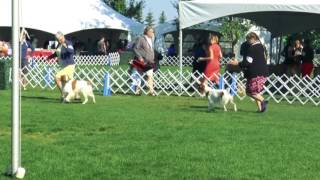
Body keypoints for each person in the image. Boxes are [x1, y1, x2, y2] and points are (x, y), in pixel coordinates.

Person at [228, 32, 269, 113]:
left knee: (251, 92)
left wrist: (237, 63)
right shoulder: (261, 46)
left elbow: (248, 62)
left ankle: (263, 100)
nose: (247, 42)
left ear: (253, 39)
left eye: (248, 40)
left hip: (256, 73)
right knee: (254, 92)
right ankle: (260, 108)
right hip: (262, 72)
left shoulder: (252, 48)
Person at [47, 31, 75, 101]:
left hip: (69, 65)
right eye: (57, 39)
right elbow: (57, 53)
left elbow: (72, 51)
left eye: (59, 39)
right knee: (67, 82)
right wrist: (50, 57)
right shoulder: (59, 44)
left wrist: (66, 47)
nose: (58, 40)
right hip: (63, 65)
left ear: (63, 36)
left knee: (57, 77)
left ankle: (63, 94)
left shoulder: (68, 43)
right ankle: (75, 95)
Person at [133, 26, 156, 96]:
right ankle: (138, 91)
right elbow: (135, 49)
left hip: (150, 61)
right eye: (151, 32)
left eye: (153, 32)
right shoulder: (141, 39)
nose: (153, 33)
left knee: (150, 76)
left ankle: (151, 91)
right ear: (147, 32)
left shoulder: (151, 40)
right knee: (139, 76)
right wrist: (139, 57)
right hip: (142, 61)